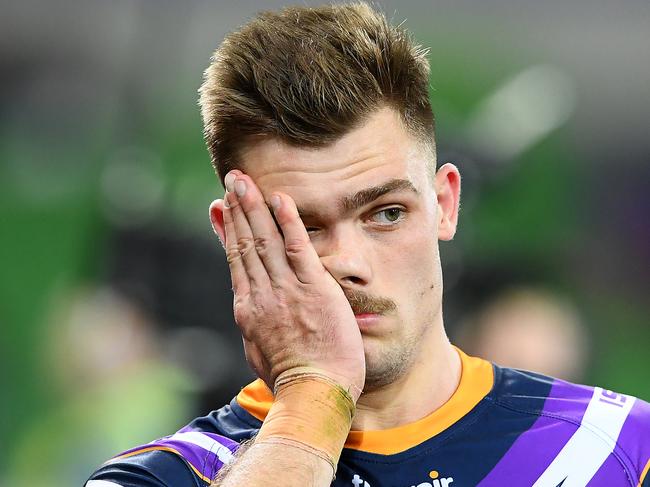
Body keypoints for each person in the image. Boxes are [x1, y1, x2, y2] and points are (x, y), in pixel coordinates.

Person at [86, 3, 650, 486]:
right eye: (302, 229)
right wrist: (312, 393)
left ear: (445, 203)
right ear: (236, 238)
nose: (347, 264)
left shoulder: (624, 452)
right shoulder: (160, 476)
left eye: (386, 213)